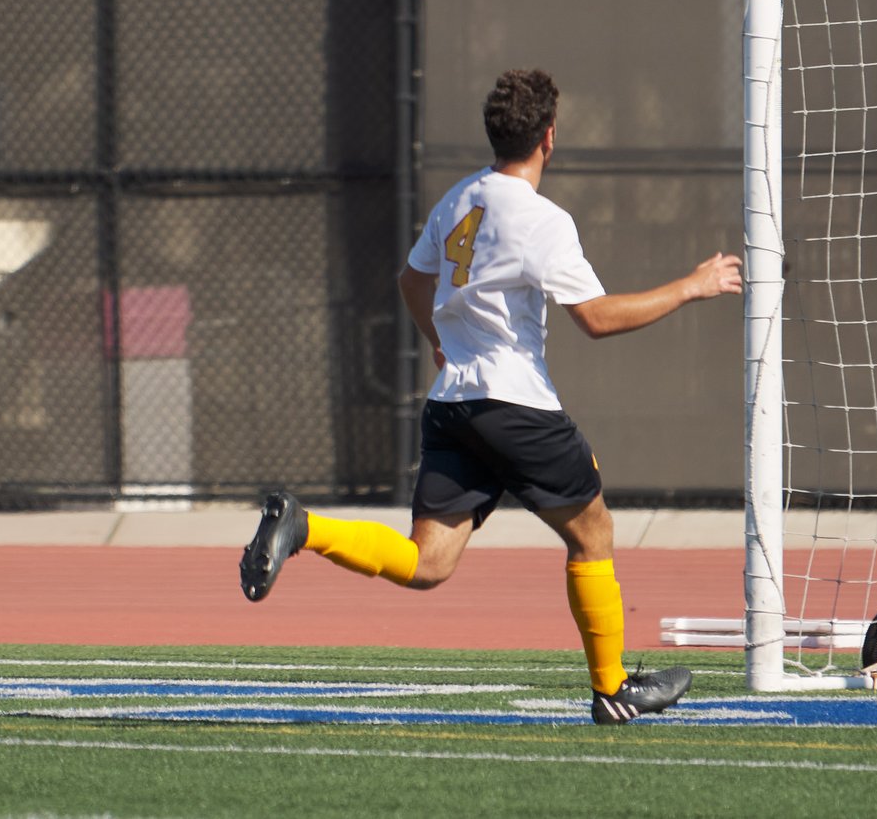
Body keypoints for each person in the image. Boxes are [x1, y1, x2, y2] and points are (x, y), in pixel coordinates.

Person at [238, 69, 742, 725]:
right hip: (516, 405)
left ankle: (305, 525)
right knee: (594, 532)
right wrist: (691, 286)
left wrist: (440, 341)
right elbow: (595, 317)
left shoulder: (459, 200)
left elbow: (412, 282)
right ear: (549, 138)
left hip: (453, 405)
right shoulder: (541, 219)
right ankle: (612, 685)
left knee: (428, 561)